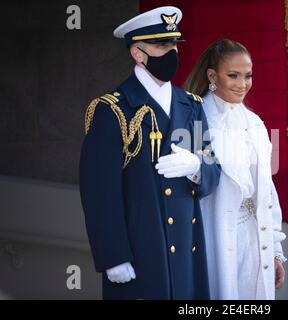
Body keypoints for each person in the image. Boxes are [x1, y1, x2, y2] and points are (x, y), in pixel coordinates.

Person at [79, 6, 221, 300]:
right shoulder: (113, 110)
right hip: (141, 253)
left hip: (187, 253)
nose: (171, 52)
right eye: (161, 45)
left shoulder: (191, 105)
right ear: (137, 53)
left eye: (173, 44)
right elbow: (99, 193)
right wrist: (113, 255)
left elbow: (212, 173)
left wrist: (196, 166)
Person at [184, 39, 287, 300]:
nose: (243, 84)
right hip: (214, 235)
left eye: (248, 76)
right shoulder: (194, 121)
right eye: (233, 75)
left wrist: (274, 250)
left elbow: (267, 191)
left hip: (255, 240)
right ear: (212, 76)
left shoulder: (255, 123)